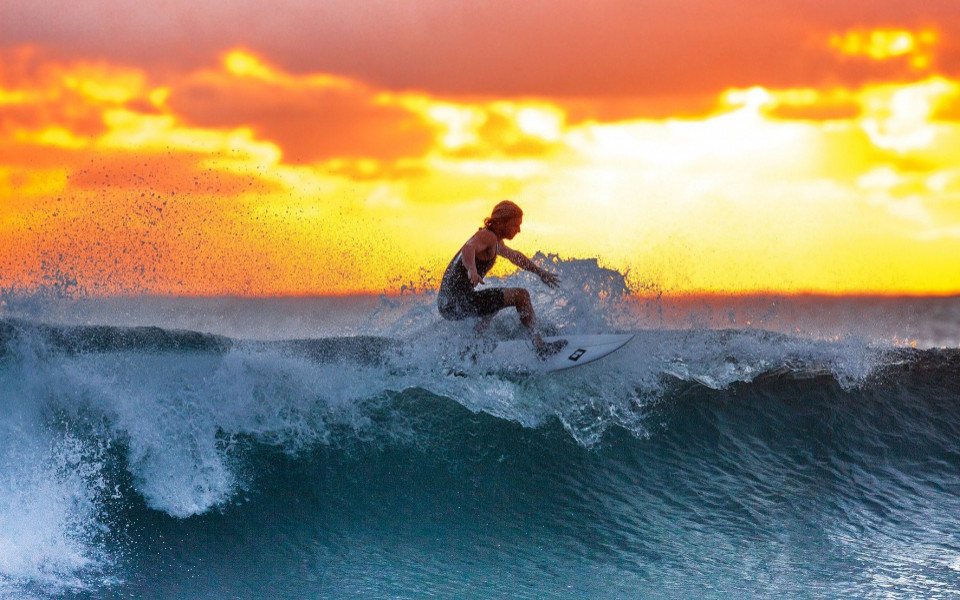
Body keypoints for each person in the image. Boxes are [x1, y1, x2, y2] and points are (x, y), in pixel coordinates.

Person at [437, 200, 567, 359]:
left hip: (448, 304)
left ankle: (470, 349)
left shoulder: (495, 241)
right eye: (515, 225)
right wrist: (472, 269)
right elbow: (468, 248)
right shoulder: (487, 236)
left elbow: (515, 257)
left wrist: (540, 273)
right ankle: (540, 346)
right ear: (500, 222)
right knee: (521, 296)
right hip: (457, 301)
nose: (518, 230)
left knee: (496, 302)